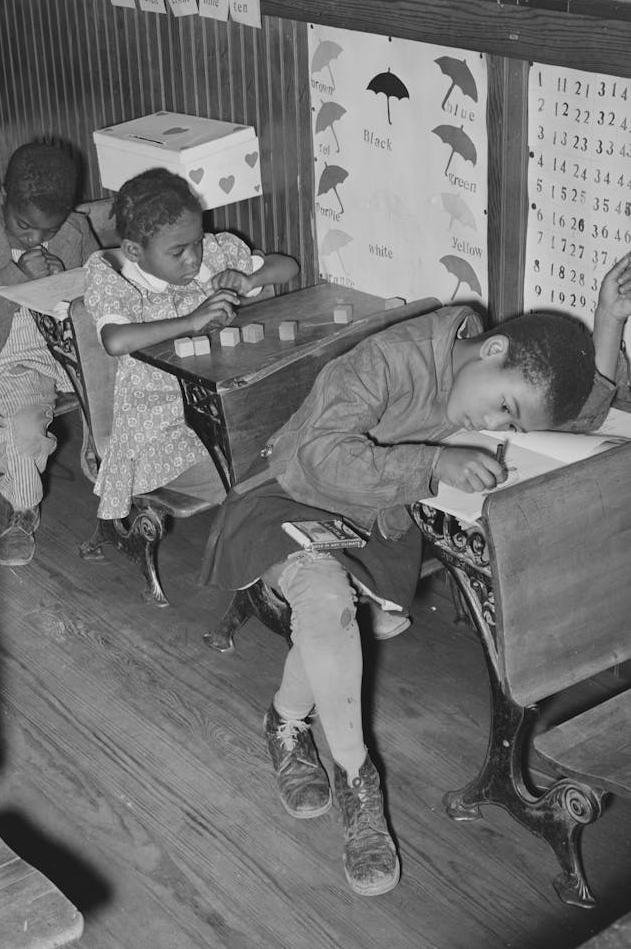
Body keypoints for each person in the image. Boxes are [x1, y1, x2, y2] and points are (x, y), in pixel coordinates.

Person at [200, 252, 631, 898]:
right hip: (289, 493)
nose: (494, 427)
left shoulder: (486, 373)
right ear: (493, 351)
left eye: (510, 425)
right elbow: (318, 457)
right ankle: (358, 782)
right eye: (504, 407)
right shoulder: (388, 360)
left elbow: (584, 418)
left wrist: (609, 319)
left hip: (373, 518)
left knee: (332, 612)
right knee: (326, 600)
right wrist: (435, 462)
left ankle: (286, 721)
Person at [83, 167, 299, 520]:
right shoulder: (114, 279)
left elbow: (287, 267)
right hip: (164, 435)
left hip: (230, 411)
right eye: (178, 251)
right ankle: (270, 554)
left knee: (293, 444)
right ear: (134, 250)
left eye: (197, 241)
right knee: (254, 473)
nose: (194, 257)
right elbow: (116, 339)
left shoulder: (214, 255)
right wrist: (189, 321)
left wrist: (250, 278)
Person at [0, 142, 99, 566]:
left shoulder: (73, 230)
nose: (36, 239)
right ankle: (23, 510)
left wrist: (72, 286)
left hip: (69, 352)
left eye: (49, 230)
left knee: (136, 384)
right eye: (25, 226)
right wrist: (16, 278)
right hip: (8, 361)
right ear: (2, 197)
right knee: (24, 428)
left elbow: (99, 291)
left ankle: (127, 490)